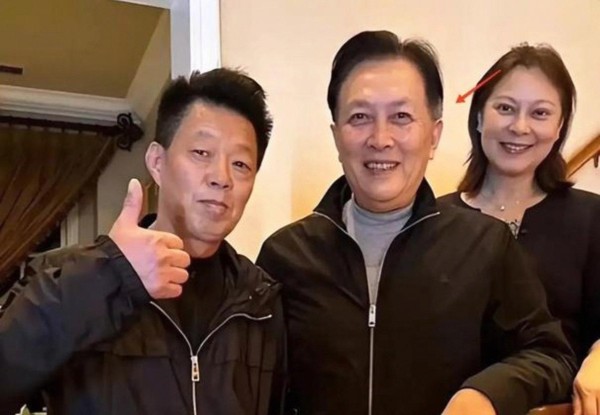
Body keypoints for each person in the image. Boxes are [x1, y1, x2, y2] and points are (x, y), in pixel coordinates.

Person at [256, 31, 576, 415]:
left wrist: (486, 394)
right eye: (360, 117)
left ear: (433, 135)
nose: (380, 139)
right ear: (337, 136)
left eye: (401, 117)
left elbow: (549, 355)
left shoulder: (483, 245)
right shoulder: (286, 256)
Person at [0, 68, 285, 415]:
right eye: (201, 152)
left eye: (240, 164)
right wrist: (111, 274)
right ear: (157, 162)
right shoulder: (65, 275)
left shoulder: (260, 299)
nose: (221, 178)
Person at [438, 44, 600, 415]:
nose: (520, 127)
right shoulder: (435, 219)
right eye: (506, 108)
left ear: (559, 127)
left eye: (540, 113)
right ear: (479, 117)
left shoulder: (591, 217)